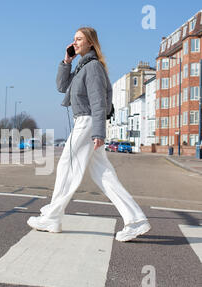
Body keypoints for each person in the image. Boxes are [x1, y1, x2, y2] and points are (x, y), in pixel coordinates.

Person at [27, 27, 151, 242]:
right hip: (85, 121)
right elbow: (61, 86)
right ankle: (136, 220)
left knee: (67, 167)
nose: (74, 43)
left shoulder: (93, 67)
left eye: (79, 39)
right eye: (73, 39)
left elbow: (98, 101)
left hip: (87, 122)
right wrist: (66, 61)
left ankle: (53, 216)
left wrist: (98, 133)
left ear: (90, 43)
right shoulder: (82, 66)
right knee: (104, 176)